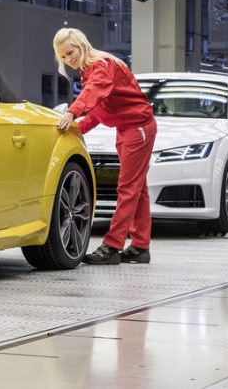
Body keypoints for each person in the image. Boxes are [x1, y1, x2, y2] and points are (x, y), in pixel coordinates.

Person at [53, 28, 156, 266]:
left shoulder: (101, 65)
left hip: (137, 129)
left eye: (70, 53)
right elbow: (101, 109)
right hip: (127, 128)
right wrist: (78, 128)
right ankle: (140, 246)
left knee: (128, 189)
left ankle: (112, 247)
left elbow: (93, 93)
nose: (68, 60)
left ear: (81, 45)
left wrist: (72, 112)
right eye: (63, 57)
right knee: (137, 190)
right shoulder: (90, 69)